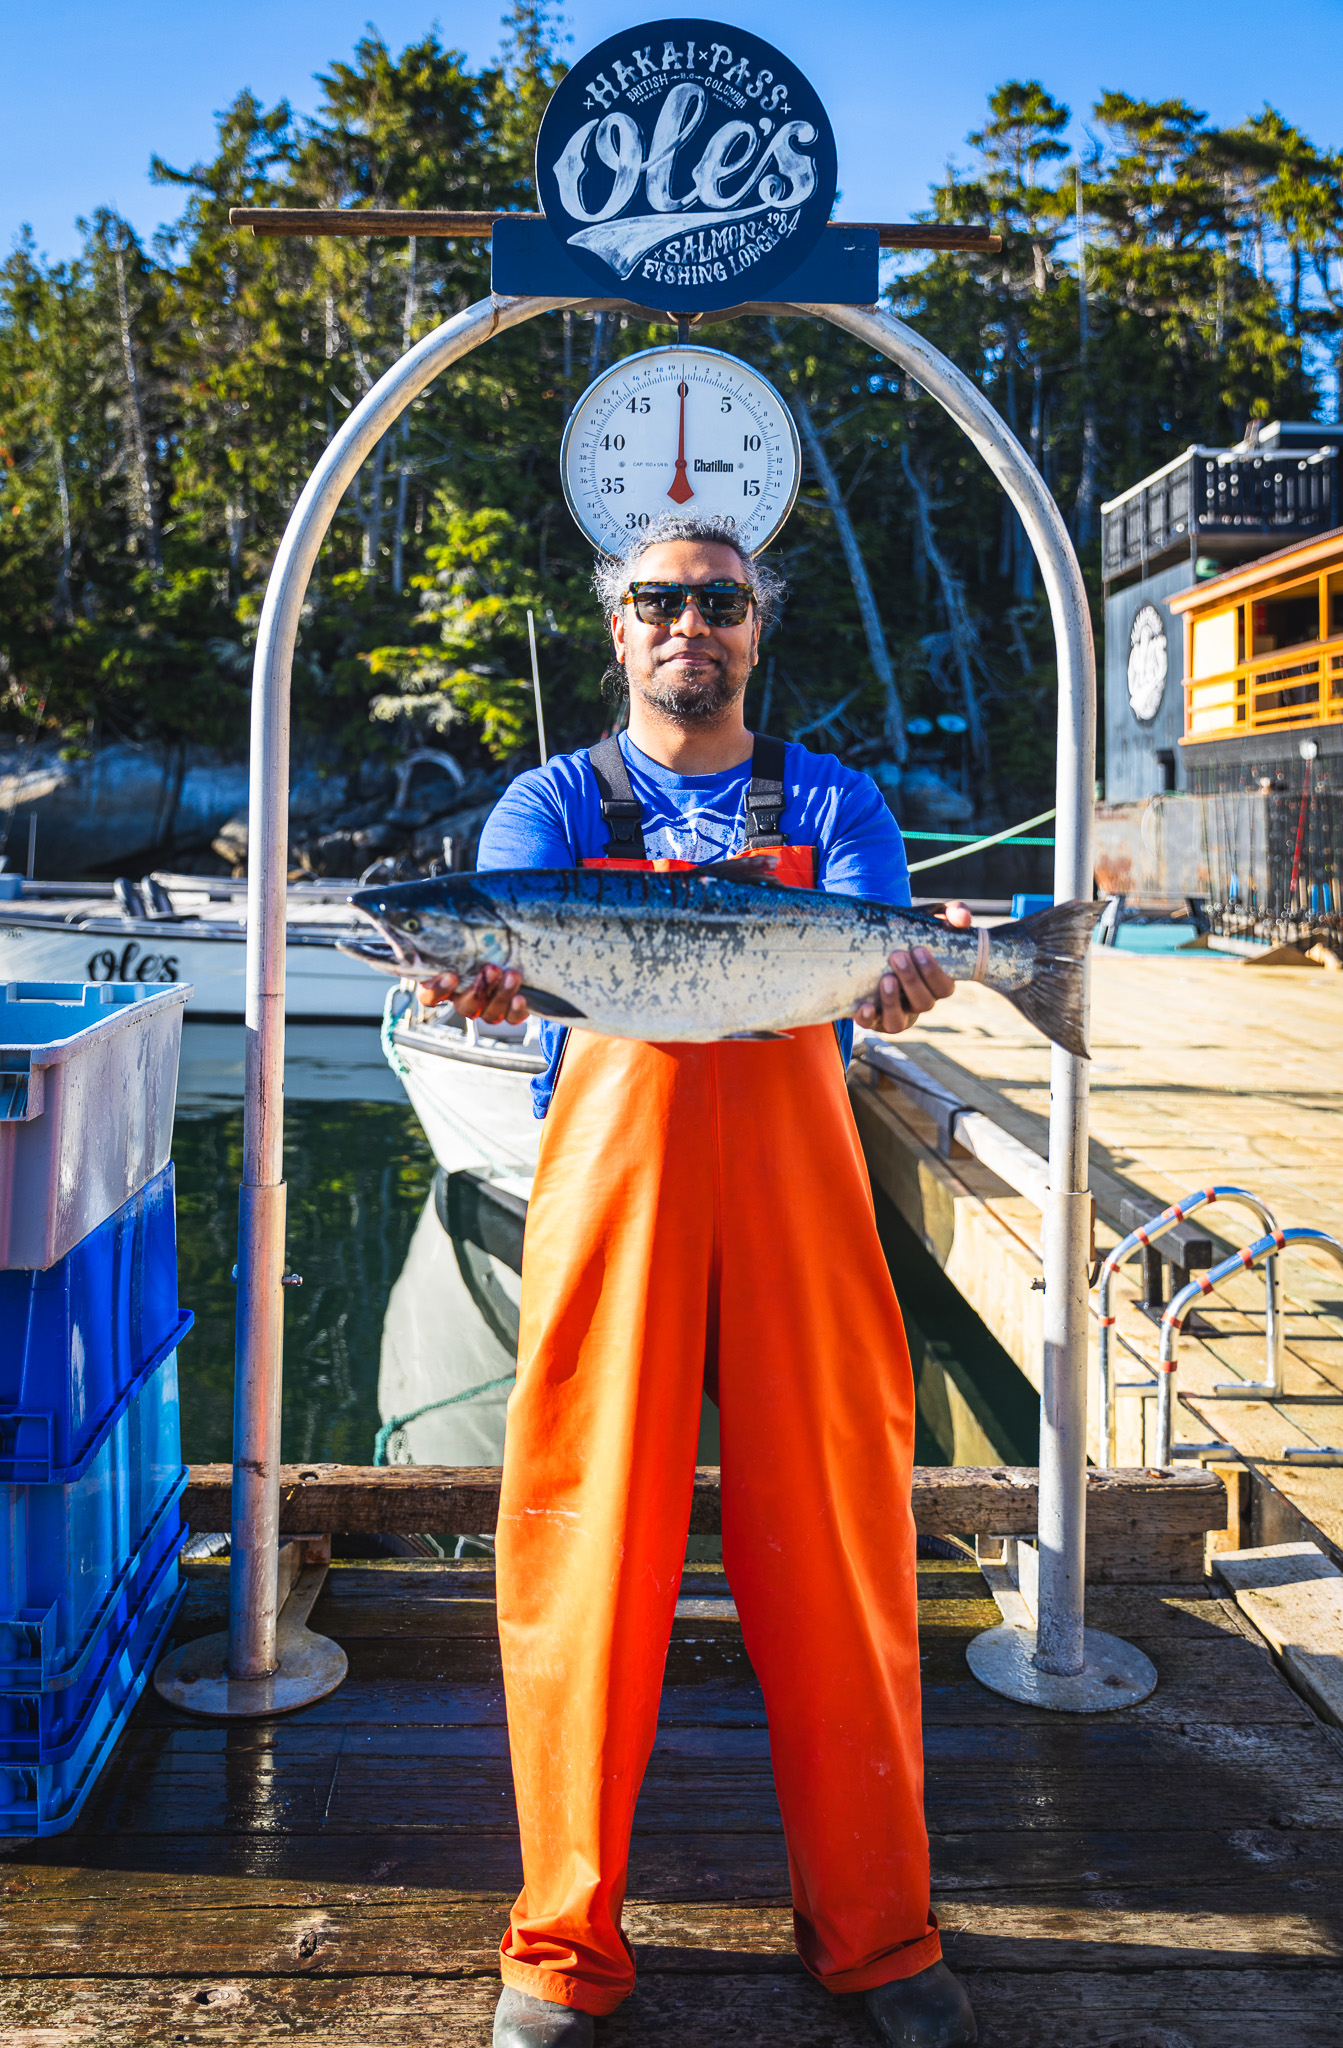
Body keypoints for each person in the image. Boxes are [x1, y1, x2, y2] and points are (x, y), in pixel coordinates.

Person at [421, 516, 977, 2048]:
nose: (690, 624)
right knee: (583, 1552)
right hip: (617, 1196)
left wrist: (916, 980)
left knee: (850, 1555)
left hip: (802, 1200)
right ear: (617, 626)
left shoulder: (835, 799)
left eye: (718, 602)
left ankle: (879, 1934)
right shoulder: (550, 803)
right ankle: (561, 1944)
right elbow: (517, 957)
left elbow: (875, 971)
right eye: (659, 599)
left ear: (755, 628)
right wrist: (477, 978)